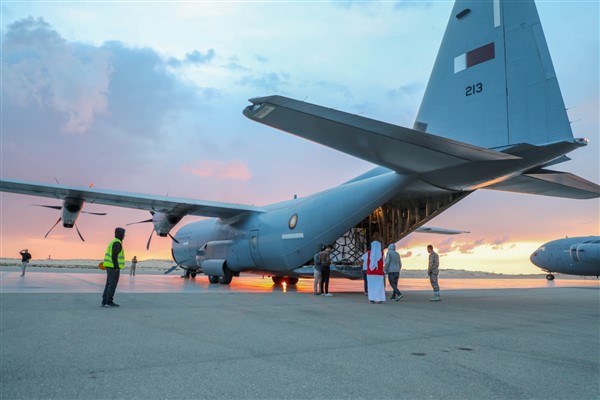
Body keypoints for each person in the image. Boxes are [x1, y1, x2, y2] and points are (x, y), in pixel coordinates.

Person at [102, 227, 126, 308]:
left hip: (109, 266)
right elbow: (114, 256)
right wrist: (116, 267)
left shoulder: (113, 242)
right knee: (112, 284)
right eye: (123, 234)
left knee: (108, 284)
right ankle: (109, 302)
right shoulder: (117, 243)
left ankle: (104, 301)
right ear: (120, 234)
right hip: (113, 267)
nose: (124, 236)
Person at [366, 233, 385, 303]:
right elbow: (383, 262)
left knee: (371, 286)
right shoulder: (382, 253)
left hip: (370, 273)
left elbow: (366, 262)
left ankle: (372, 298)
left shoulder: (369, 253)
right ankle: (380, 298)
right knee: (379, 287)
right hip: (379, 272)